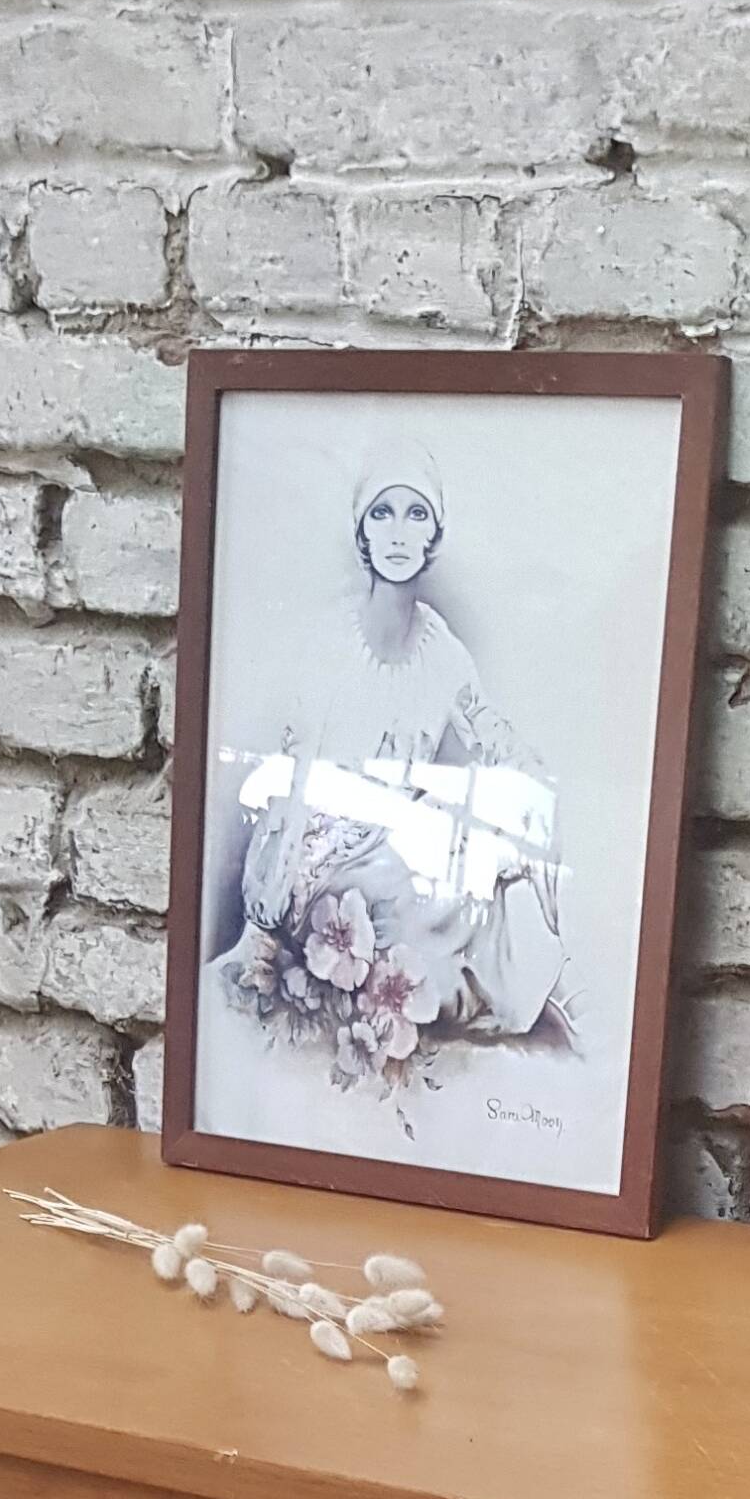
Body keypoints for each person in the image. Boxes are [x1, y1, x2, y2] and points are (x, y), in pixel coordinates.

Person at [216, 441, 570, 1078]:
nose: (399, 534)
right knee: (407, 886)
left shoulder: (440, 649)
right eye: (382, 514)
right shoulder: (328, 641)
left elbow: (490, 730)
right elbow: (292, 782)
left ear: (435, 532)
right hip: (313, 851)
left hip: (396, 837)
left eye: (416, 515)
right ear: (362, 530)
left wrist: (538, 782)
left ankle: (481, 994)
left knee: (477, 859)